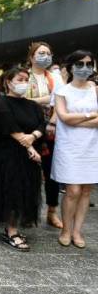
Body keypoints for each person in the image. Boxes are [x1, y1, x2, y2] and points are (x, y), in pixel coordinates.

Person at [0, 68, 44, 251]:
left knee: (27, 190)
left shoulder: (32, 105)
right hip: (8, 155)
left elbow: (41, 123)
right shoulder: (1, 101)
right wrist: (28, 145)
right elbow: (8, 124)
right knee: (11, 190)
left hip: (28, 155)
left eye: (26, 79)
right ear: (8, 81)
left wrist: (33, 136)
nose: (23, 82)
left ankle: (17, 225)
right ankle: (11, 230)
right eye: (19, 79)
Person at [52, 51, 98, 248]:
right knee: (72, 190)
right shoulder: (62, 90)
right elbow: (64, 118)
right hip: (69, 146)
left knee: (86, 190)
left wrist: (77, 119)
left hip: (92, 145)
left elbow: (74, 119)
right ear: (70, 67)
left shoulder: (95, 88)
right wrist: (90, 116)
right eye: (80, 64)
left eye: (89, 64)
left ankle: (77, 231)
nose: (85, 67)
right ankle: (66, 229)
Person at [25, 42, 63, 228]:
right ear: (32, 57)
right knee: (27, 172)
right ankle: (27, 211)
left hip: (50, 129)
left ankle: (52, 212)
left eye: (48, 53)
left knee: (51, 173)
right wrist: (47, 99)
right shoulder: (23, 76)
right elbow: (18, 100)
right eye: (41, 53)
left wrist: (53, 122)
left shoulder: (55, 77)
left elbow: (60, 101)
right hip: (27, 128)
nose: (45, 56)